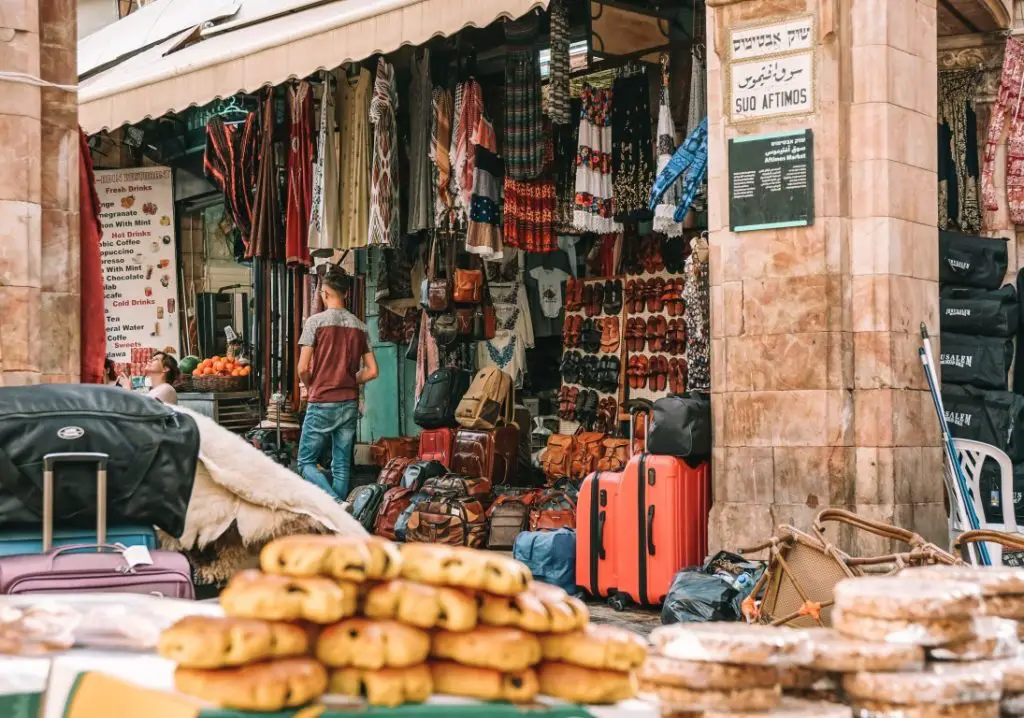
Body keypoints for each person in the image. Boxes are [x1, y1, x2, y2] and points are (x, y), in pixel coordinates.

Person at [297, 269, 378, 499]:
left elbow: (303, 368)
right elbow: (372, 371)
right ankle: (341, 522)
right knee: (341, 465)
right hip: (348, 403)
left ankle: (335, 504)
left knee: (305, 462)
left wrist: (311, 385)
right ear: (345, 293)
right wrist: (349, 379)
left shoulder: (315, 322)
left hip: (322, 400)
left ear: (324, 292)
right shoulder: (360, 327)